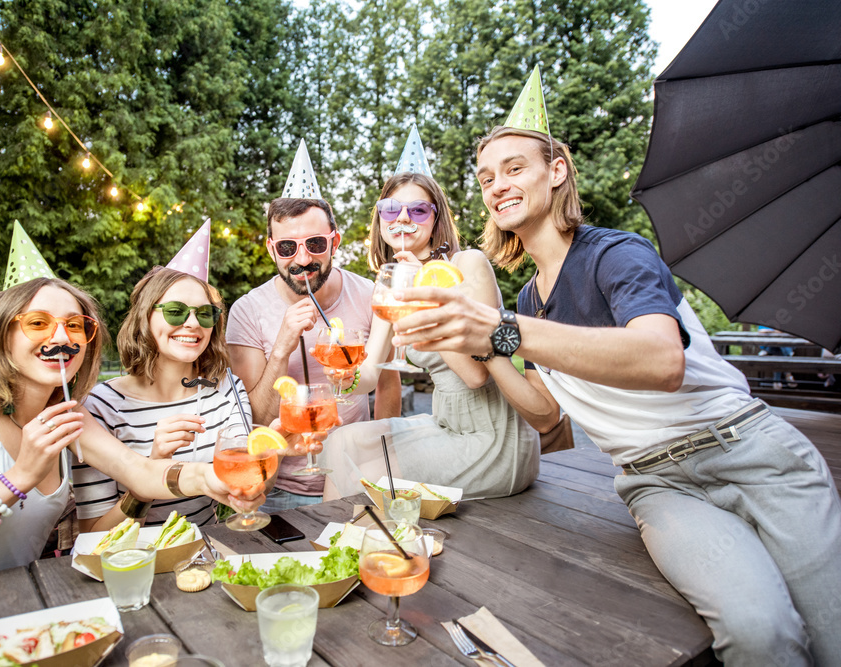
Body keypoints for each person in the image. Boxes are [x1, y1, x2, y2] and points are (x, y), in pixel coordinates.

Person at [389, 68, 841, 665]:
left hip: (748, 450)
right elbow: (547, 416)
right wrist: (483, 344)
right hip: (658, 484)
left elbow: (662, 361)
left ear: (557, 171)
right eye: (485, 177)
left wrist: (502, 331)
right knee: (762, 635)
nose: (496, 185)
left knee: (833, 635)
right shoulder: (527, 301)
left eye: (514, 168)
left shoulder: (616, 254)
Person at [0, 224, 269, 595]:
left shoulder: (69, 415)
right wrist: (16, 479)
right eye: (38, 322)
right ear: (2, 333)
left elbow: (139, 472)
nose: (61, 337)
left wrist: (208, 477)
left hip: (25, 605)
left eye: (75, 325)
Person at [321, 138, 539, 500]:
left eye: (418, 210)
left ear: (435, 218)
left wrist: (421, 297)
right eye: (391, 209)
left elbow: (475, 374)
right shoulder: (389, 281)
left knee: (370, 473)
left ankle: (360, 549)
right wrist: (340, 378)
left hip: (494, 439)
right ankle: (336, 549)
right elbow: (372, 373)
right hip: (444, 425)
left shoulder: (466, 266)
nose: (403, 218)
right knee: (341, 441)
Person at [227, 140, 402, 511]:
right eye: (288, 248)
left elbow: (388, 384)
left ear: (335, 242)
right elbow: (254, 418)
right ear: (272, 249)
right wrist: (282, 347)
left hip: (357, 476)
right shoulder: (247, 311)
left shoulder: (369, 294)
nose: (303, 259)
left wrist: (384, 469)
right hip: (278, 488)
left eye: (316, 244)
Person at [73, 265, 252, 532]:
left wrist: (275, 450)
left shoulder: (228, 390)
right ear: (145, 317)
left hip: (206, 552)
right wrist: (153, 467)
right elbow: (93, 535)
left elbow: (246, 483)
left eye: (205, 314)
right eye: (175, 311)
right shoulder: (101, 407)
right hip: (134, 562)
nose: (192, 323)